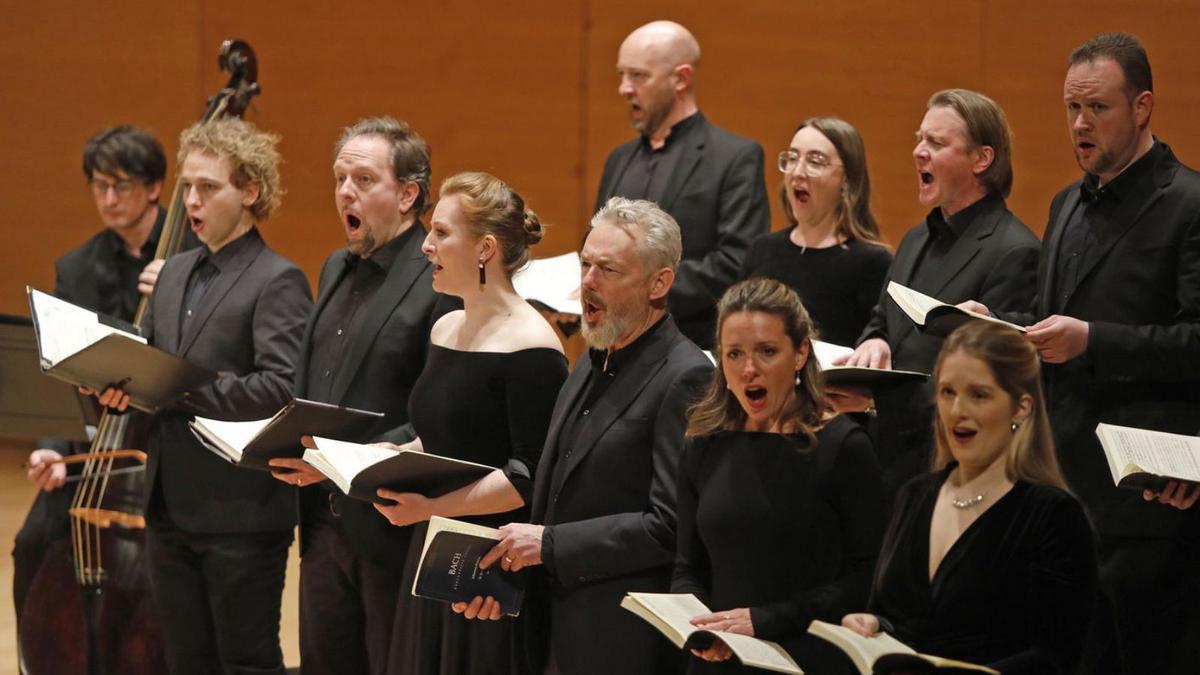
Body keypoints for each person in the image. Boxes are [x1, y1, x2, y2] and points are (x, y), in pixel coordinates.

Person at [963, 33, 1200, 674]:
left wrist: (1091, 340)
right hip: (1063, 483)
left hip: (1149, 495)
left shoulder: (1188, 203)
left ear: (1143, 106)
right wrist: (1002, 326)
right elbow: (1052, 322)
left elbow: (1195, 340)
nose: (1079, 124)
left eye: (1097, 108)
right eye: (1072, 108)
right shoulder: (1066, 202)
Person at [456, 197, 713, 675]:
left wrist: (549, 545)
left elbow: (669, 526)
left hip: (621, 640)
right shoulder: (589, 363)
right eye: (586, 264)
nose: (587, 283)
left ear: (659, 283)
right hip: (552, 625)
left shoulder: (685, 375)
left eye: (608, 270)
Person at [94, 118, 311, 675]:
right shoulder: (173, 273)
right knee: (184, 659)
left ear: (251, 192)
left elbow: (281, 387)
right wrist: (120, 382)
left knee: (244, 662)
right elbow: (155, 361)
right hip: (167, 505)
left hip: (240, 512)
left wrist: (175, 386)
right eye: (188, 186)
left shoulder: (277, 279)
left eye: (209, 188)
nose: (192, 200)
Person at [264, 117, 453, 675]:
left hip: (390, 523)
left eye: (364, 179)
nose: (346, 191)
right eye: (340, 178)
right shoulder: (332, 267)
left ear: (408, 194)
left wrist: (340, 462)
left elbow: (434, 412)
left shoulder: (436, 278)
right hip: (322, 524)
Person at [369, 172, 568, 675]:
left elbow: (528, 475)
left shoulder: (534, 346)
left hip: (488, 559)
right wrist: (395, 456)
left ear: (484, 248)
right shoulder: (444, 327)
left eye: (440, 233)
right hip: (433, 538)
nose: (427, 246)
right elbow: (445, 434)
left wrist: (432, 506)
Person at [18, 126, 201, 625]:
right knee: (32, 544)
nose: (108, 198)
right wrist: (54, 447)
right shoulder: (77, 268)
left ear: (155, 188)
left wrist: (177, 287)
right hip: (99, 448)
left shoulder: (196, 258)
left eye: (120, 186)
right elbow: (62, 367)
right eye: (99, 185)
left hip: (170, 450)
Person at [842, 321, 1098, 674]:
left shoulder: (1053, 515)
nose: (958, 409)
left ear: (1021, 407)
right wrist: (872, 625)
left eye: (978, 394)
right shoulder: (915, 495)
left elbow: (1058, 655)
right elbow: (891, 614)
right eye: (947, 392)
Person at [835, 89, 1039, 505]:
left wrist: (879, 399)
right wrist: (874, 341)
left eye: (936, 143)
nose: (918, 152)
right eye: (919, 138)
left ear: (982, 159)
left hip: (956, 472)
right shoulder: (914, 238)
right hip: (890, 463)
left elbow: (996, 386)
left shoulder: (1015, 250)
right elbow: (881, 320)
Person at [670, 278, 884, 674]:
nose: (748, 370)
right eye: (734, 354)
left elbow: (866, 578)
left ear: (801, 352)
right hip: (720, 659)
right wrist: (701, 628)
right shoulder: (702, 443)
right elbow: (688, 567)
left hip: (807, 657)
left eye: (767, 352)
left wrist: (765, 621)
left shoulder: (843, 447)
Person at [595, 20, 769, 349]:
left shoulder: (735, 158)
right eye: (622, 74)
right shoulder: (619, 159)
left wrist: (636, 290)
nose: (624, 88)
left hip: (692, 350)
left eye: (638, 76)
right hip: (614, 351)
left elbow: (737, 261)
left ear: (681, 78)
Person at [740, 117, 892, 347]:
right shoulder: (762, 250)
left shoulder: (872, 263)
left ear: (847, 179)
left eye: (815, 161)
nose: (798, 172)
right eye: (792, 158)